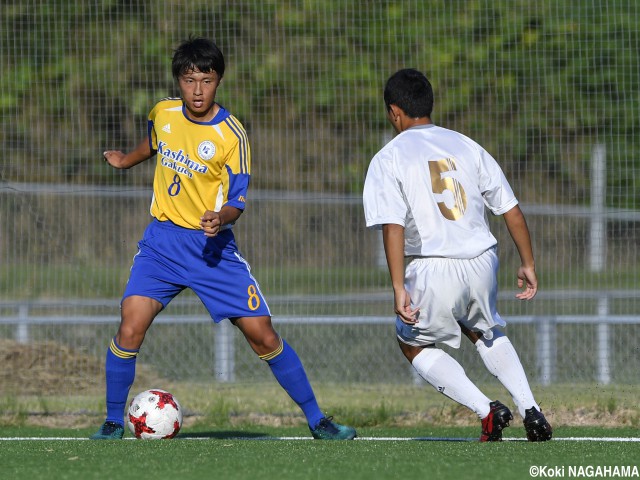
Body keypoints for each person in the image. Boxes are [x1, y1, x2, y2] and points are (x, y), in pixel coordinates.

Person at [90, 37, 356, 441]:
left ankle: (318, 419)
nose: (197, 90)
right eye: (189, 79)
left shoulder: (233, 135)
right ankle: (112, 422)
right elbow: (157, 142)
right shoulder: (162, 112)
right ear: (178, 80)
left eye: (207, 80)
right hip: (161, 245)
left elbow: (238, 198)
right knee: (130, 326)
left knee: (263, 334)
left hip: (211, 250)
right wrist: (126, 159)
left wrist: (221, 218)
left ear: (219, 81)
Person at [362, 68, 552, 442]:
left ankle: (487, 411)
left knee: (411, 343)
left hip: (434, 265)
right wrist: (528, 263)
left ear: (394, 112)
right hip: (482, 258)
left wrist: (398, 286)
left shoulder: (389, 157)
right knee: (484, 330)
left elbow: (392, 226)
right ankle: (532, 410)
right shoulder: (467, 145)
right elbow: (510, 209)